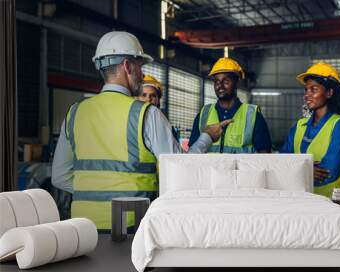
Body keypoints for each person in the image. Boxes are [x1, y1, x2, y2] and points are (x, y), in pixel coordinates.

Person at [51, 31, 230, 230]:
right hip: (131, 227)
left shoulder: (75, 113)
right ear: (127, 66)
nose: (142, 74)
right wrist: (207, 137)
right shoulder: (146, 115)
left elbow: (59, 177)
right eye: (140, 66)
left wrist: (94, 191)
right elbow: (180, 170)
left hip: (82, 229)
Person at [281, 61, 340, 198]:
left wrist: (294, 169)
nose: (307, 95)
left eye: (313, 89)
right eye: (306, 90)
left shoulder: (339, 125)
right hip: (300, 200)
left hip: (331, 204)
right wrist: (307, 170)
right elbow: (281, 163)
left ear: (329, 93)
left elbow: (328, 172)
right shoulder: (299, 126)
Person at [189, 57, 272, 153]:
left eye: (225, 81)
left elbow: (265, 156)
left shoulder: (253, 116)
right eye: (216, 81)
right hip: (210, 169)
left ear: (237, 82)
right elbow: (193, 152)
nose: (220, 86)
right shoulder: (204, 114)